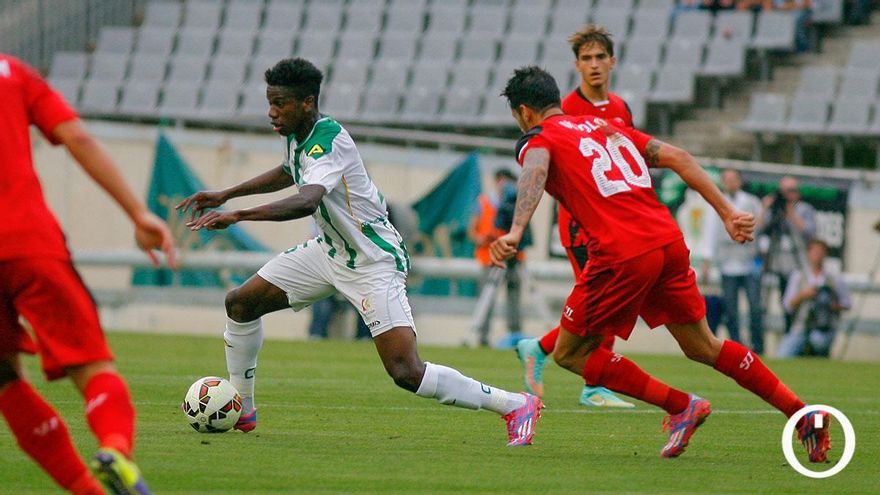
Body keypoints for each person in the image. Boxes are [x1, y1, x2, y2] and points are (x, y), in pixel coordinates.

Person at [175, 58, 542, 447]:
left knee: (405, 370)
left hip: (372, 260)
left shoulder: (329, 140)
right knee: (241, 303)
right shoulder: (298, 136)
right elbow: (289, 170)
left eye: (279, 103)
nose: (271, 112)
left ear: (307, 102)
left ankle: (515, 404)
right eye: (270, 103)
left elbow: (306, 200)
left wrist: (237, 214)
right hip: (330, 252)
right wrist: (227, 193)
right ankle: (244, 408)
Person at [492, 66, 831, 462]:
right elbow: (679, 157)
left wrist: (516, 230)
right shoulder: (607, 128)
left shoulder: (538, 137)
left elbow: (535, 168)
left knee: (570, 353)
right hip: (667, 241)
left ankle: (681, 406)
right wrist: (726, 211)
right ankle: (803, 414)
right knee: (704, 345)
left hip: (621, 253)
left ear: (524, 112)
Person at [0, 54, 177, 494]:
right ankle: (115, 449)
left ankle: (88, 490)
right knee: (93, 365)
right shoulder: (12, 73)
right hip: (27, 241)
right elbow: (76, 137)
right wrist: (137, 213)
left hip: (25, 243)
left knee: (5, 379)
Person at [514, 25, 633, 408]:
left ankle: (538, 348)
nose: (594, 64)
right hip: (582, 227)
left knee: (608, 304)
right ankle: (594, 386)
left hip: (616, 223)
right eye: (586, 58)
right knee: (605, 304)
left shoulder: (620, 108)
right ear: (577, 65)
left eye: (600, 57)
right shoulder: (566, 110)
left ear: (612, 61)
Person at [701, 169, 765, 353]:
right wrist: (707, 260)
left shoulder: (751, 202)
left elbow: (760, 229)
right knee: (731, 309)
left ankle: (758, 346)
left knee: (755, 307)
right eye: (727, 180)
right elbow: (711, 232)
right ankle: (738, 347)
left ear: (739, 181)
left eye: (733, 179)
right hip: (727, 263)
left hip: (749, 262)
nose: (730, 183)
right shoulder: (716, 202)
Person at [467, 169, 525, 347]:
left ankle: (515, 336)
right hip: (490, 259)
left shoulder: (519, 203)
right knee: (487, 300)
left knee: (514, 298)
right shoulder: (484, 202)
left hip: (513, 258)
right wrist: (482, 239)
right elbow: (472, 231)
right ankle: (483, 338)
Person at [759, 175, 817, 334]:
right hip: (777, 263)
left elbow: (811, 232)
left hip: (798, 264)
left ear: (797, 192)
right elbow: (760, 230)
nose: (786, 195)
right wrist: (764, 208)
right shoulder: (775, 210)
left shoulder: (804, 209)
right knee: (778, 301)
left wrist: (791, 214)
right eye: (783, 191)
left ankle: (795, 334)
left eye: (790, 191)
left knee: (796, 304)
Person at [778, 239, 851, 357]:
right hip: (800, 327)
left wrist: (829, 304)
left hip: (823, 328)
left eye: (821, 252)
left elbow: (847, 303)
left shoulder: (833, 278)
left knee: (818, 342)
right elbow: (787, 306)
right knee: (783, 354)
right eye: (815, 251)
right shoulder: (798, 276)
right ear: (808, 253)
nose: (818, 255)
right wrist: (803, 295)